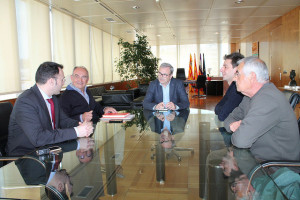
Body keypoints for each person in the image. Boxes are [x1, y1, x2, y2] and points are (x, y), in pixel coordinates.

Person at [7, 62, 94, 156]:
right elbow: (38, 138)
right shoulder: (26, 101)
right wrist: (77, 131)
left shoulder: (53, 98)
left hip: (49, 151)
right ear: (52, 81)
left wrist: (81, 125)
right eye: (62, 79)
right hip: (26, 157)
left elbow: (63, 121)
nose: (64, 83)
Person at [224, 56, 300, 161]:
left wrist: (241, 127)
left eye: (238, 74)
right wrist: (235, 126)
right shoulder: (249, 96)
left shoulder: (268, 99)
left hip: (275, 170)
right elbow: (229, 119)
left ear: (252, 77)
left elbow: (240, 140)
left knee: (220, 167)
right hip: (256, 159)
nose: (234, 78)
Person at [215, 52, 244, 121]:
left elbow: (222, 115)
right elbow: (217, 109)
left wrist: (221, 108)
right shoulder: (233, 85)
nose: (221, 70)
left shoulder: (238, 89)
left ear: (237, 69)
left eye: (226, 67)